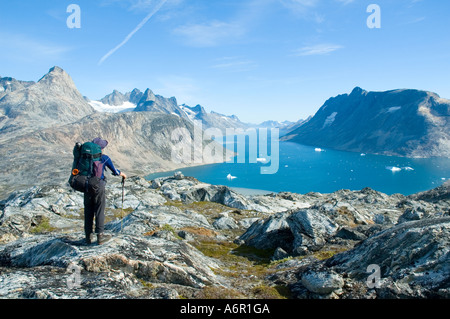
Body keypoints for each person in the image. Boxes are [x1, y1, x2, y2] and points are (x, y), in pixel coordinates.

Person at [84, 137, 127, 245]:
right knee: (99, 210)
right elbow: (115, 171)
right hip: (99, 186)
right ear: (101, 148)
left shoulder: (84, 157)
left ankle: (88, 237)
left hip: (86, 186)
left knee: (88, 211)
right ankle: (100, 237)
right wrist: (122, 174)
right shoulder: (104, 158)